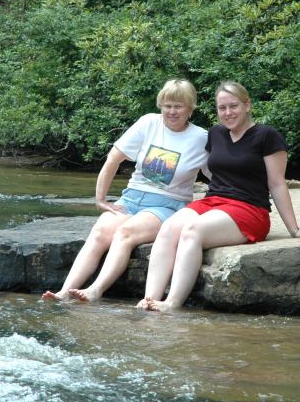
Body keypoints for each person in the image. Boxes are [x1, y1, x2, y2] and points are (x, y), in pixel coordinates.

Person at [136, 81, 300, 312]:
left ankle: (172, 303)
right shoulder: (216, 134)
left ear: (247, 105)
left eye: (233, 106)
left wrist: (294, 229)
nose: (227, 113)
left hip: (249, 209)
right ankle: (150, 298)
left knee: (192, 230)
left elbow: (277, 184)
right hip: (213, 201)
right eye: (222, 108)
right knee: (169, 227)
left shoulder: (266, 136)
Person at [42, 79, 208, 302]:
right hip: (132, 198)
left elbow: (218, 176)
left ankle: (95, 290)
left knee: (125, 233)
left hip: (166, 205)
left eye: (178, 106)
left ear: (190, 108)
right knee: (100, 230)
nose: (171, 111)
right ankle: (64, 291)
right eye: (167, 105)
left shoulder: (201, 138)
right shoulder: (148, 123)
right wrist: (100, 199)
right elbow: (113, 159)